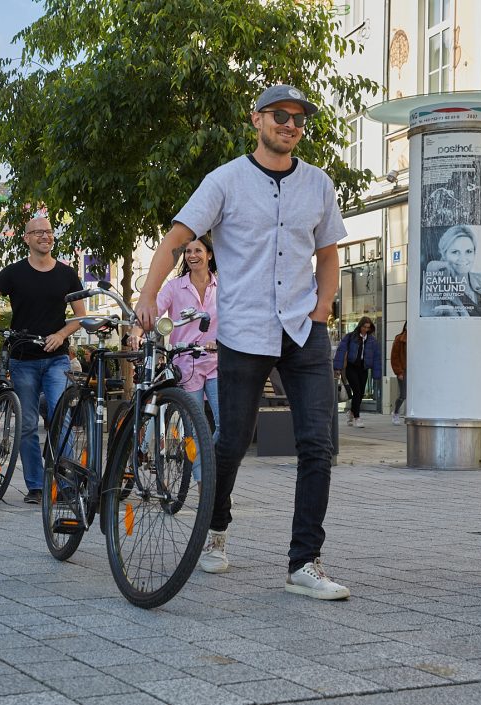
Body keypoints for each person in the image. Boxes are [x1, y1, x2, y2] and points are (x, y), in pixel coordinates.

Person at [133, 84, 349, 600]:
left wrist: (322, 307)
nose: (290, 125)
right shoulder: (225, 180)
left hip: (303, 330)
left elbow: (328, 254)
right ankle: (215, 529)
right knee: (230, 442)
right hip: (245, 330)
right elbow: (177, 238)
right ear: (257, 119)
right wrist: (147, 295)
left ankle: (305, 562)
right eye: (280, 115)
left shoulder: (318, 184)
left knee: (318, 443)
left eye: (298, 119)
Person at [0, 216, 86, 504]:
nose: (46, 236)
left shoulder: (67, 274)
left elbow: (80, 316)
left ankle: (65, 484)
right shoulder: (13, 273)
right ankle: (36, 486)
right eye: (39, 232)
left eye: (49, 232)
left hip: (56, 358)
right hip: (22, 359)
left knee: (60, 416)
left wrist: (61, 333)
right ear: (26, 238)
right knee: (27, 423)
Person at [131, 234, 220, 457]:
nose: (192, 256)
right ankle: (205, 487)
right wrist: (136, 332)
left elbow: (236, 318)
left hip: (217, 363)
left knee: (226, 426)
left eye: (198, 251)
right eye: (188, 251)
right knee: (197, 431)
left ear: (209, 254)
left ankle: (213, 471)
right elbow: (152, 311)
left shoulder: (223, 286)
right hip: (187, 365)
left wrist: (220, 341)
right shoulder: (174, 287)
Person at [422, 225, 481, 317]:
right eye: (455, 252)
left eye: (468, 251)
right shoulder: (439, 285)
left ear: (474, 253)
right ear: (444, 255)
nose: (462, 258)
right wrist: (431, 270)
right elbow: (426, 314)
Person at [333, 317, 381, 429]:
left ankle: (351, 412)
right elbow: (341, 351)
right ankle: (357, 418)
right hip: (351, 367)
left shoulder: (372, 341)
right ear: (360, 326)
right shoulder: (350, 337)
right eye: (364, 327)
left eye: (368, 327)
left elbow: (377, 358)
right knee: (357, 391)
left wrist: (376, 374)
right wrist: (338, 368)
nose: (366, 329)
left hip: (363, 369)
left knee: (361, 393)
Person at [390, 323, 407, 425]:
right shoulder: (399, 339)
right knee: (403, 394)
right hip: (403, 370)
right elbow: (394, 357)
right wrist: (399, 372)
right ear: (405, 327)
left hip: (415, 371)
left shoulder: (418, 338)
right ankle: (396, 412)